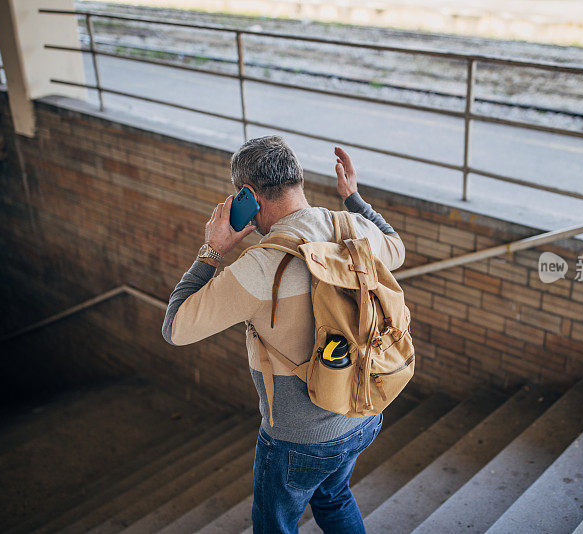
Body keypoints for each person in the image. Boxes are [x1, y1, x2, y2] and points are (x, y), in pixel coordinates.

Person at [162, 136, 405, 533]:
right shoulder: (355, 228)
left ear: (248, 196)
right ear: (299, 180)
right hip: (366, 408)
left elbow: (175, 327)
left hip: (299, 440)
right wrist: (354, 198)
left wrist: (212, 249)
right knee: (334, 496)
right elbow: (397, 247)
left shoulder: (259, 267)